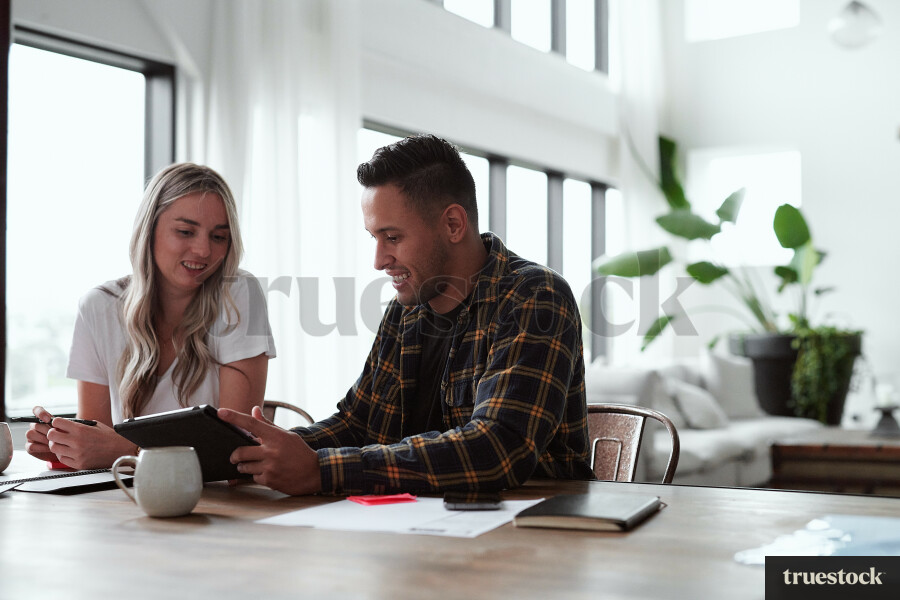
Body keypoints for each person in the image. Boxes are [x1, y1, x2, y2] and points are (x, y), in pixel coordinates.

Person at [220, 134, 591, 495]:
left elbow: (496, 449)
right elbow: (357, 423)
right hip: (416, 531)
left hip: (533, 534)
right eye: (374, 239)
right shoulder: (405, 311)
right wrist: (262, 452)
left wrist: (321, 470)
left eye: (392, 238)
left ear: (453, 224)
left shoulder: (534, 297)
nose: (379, 260)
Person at [26, 162, 276, 470]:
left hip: (219, 501)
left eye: (219, 237)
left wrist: (128, 451)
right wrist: (67, 446)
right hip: (128, 498)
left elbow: (234, 452)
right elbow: (98, 449)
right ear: (149, 229)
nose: (203, 250)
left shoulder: (238, 294)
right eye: (185, 232)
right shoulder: (98, 307)